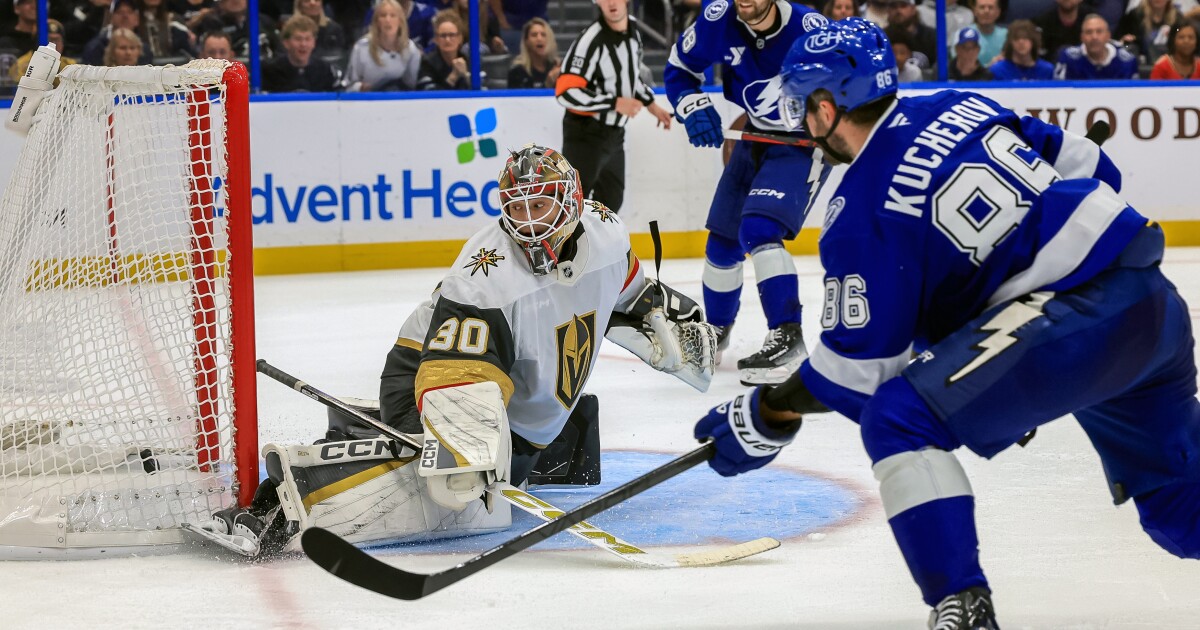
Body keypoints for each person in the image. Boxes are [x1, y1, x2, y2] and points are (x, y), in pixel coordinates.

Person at [695, 17, 1200, 629]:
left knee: (898, 420)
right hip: (1150, 302)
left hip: (1070, 327)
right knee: (1179, 510)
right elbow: (1095, 167)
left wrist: (767, 413)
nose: (800, 120)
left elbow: (856, 378)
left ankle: (961, 603)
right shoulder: (959, 103)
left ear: (828, 109)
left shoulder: (858, 213)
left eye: (803, 106)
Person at [196, 145, 717, 556]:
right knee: (454, 488)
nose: (530, 222)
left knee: (500, 467)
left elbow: (624, 291)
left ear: (573, 201)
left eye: (541, 205)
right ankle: (283, 504)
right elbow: (455, 374)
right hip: (427, 367)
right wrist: (464, 454)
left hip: (512, 395)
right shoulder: (485, 275)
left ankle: (392, 435)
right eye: (518, 208)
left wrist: (659, 316)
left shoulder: (607, 232)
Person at [663, 0, 827, 385]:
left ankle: (788, 334)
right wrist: (693, 105)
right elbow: (680, 68)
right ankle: (715, 335)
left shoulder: (810, 29)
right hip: (754, 135)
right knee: (722, 242)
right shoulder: (718, 19)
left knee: (759, 230)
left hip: (801, 143)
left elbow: (847, 93)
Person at [555, 0, 671, 213]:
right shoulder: (590, 41)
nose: (611, 2)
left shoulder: (634, 31)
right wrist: (614, 103)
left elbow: (629, 77)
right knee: (572, 205)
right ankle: (567, 246)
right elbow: (566, 91)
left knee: (610, 204)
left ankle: (597, 247)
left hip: (614, 135)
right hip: (584, 134)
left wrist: (650, 103)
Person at [343, 0, 422, 91]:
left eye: (393, 15)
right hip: (367, 101)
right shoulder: (361, 48)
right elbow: (348, 86)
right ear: (377, 21)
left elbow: (412, 86)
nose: (388, 20)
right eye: (383, 16)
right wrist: (360, 88)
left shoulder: (410, 49)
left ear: (400, 21)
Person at [261, 14, 337, 92]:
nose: (303, 44)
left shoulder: (324, 70)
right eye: (298, 39)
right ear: (286, 43)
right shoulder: (271, 71)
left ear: (314, 42)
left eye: (307, 39)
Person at [1055, 13, 1139, 80]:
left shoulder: (1126, 61)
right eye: (1089, 32)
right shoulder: (1069, 58)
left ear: (1108, 36)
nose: (1094, 37)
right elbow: (1058, 93)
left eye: (1099, 31)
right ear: (1082, 37)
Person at [82, 0, 153, 66]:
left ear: (137, 18)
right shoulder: (95, 48)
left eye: (130, 12)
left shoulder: (145, 50)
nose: (125, 16)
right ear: (110, 17)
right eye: (120, 12)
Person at [7, 19, 76, 83]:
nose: (54, 44)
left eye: (57, 40)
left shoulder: (71, 65)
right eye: (50, 39)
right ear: (37, 42)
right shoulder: (19, 65)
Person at [1116, 0, 1185, 64]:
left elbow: (1181, 33)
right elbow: (1122, 38)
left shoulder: (1177, 18)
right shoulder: (1135, 15)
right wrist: (1128, 39)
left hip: (1168, 57)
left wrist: (1174, 36)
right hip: (1140, 57)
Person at [417, 10, 470, 89]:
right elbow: (428, 95)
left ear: (460, 38)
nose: (447, 40)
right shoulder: (426, 63)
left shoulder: (468, 60)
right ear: (436, 39)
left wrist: (467, 77)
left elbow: (482, 89)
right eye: (443, 35)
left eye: (452, 35)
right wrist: (453, 77)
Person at [989, 19, 1055, 80]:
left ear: (1033, 41)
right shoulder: (998, 70)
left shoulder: (1047, 70)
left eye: (1026, 38)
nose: (1021, 42)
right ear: (1011, 42)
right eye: (1016, 38)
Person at [507, 17, 559, 88]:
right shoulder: (517, 72)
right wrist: (547, 84)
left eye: (543, 35)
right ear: (526, 41)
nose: (539, 38)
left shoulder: (557, 68)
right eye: (534, 35)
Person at [885, 0, 937, 70]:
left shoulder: (931, 36)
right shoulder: (881, 37)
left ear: (913, 9)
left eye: (903, 6)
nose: (898, 10)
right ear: (888, 10)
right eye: (894, 6)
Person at [965, 0, 1006, 64]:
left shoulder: (1007, 35)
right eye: (982, 7)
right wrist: (989, 67)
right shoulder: (964, 35)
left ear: (998, 12)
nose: (986, 11)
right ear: (975, 11)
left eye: (991, 7)